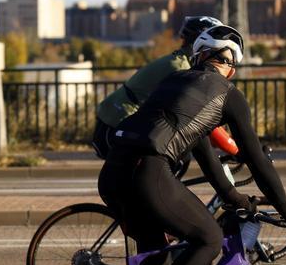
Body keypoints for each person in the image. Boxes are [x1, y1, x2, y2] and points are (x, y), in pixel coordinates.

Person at [98, 25, 286, 265]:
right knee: (210, 238)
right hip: (148, 171)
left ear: (199, 56)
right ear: (230, 66)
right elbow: (257, 159)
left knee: (156, 254)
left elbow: (203, 150)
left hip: (113, 173)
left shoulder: (174, 83)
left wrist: (231, 195)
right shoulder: (227, 94)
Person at [92, 16, 222, 159]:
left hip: (119, 116)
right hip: (118, 119)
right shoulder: (181, 67)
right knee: (166, 157)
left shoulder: (180, 61)